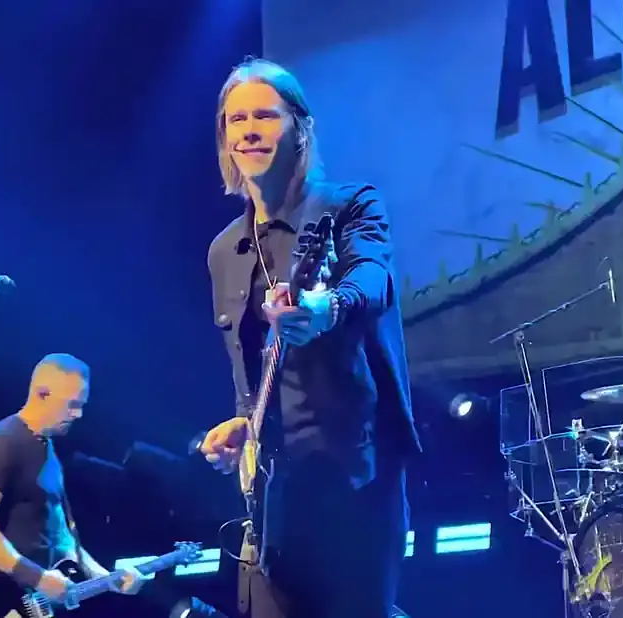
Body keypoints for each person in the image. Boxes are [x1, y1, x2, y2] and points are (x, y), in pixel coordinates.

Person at [199, 58, 422, 618]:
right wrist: (243, 427)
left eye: (265, 116)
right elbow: (246, 365)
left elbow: (371, 277)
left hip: (354, 476)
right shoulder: (224, 250)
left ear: (299, 127)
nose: (248, 129)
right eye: (236, 119)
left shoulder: (350, 206)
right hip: (274, 490)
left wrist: (329, 307)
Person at [0, 353, 145, 613]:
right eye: (71, 404)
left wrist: (106, 579)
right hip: (3, 603)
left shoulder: (48, 449)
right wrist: (37, 578)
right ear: (42, 394)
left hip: (40, 604)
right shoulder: (0, 442)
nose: (78, 414)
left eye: (82, 405)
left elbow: (62, 539)